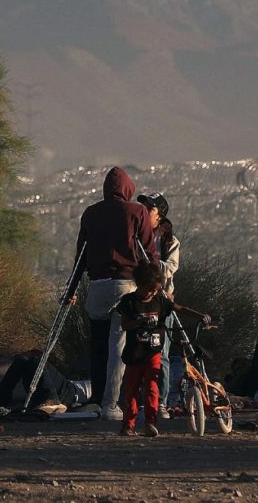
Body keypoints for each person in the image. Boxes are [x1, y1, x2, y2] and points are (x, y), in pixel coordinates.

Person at [66, 166, 159, 421]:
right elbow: (149, 251)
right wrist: (155, 283)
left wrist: (71, 290)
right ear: (128, 188)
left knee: (98, 345)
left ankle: (95, 400)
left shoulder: (91, 213)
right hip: (125, 285)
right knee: (118, 347)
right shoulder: (137, 211)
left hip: (97, 286)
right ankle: (111, 405)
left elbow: (81, 256)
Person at [116, 263, 209, 437]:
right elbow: (125, 324)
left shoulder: (159, 301)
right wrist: (141, 322)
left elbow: (179, 308)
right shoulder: (129, 302)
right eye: (149, 289)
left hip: (153, 353)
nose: (151, 293)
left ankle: (151, 423)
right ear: (139, 284)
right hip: (134, 354)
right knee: (132, 390)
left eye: (155, 290)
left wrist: (200, 316)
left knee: (152, 387)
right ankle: (128, 424)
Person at [137, 192, 179, 420]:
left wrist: (150, 261)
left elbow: (169, 269)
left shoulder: (169, 242)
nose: (143, 213)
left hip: (161, 302)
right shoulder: (135, 237)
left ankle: (159, 402)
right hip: (140, 301)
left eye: (149, 209)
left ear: (159, 216)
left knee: (160, 353)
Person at [0, 352, 92, 414]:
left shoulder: (104, 392)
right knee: (21, 360)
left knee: (37, 361)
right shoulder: (99, 383)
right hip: (61, 388)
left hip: (69, 392)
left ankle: (52, 400)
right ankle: (0, 402)